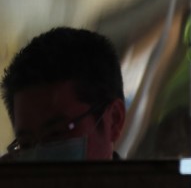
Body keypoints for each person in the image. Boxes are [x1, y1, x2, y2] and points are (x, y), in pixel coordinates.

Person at [1, 26, 126, 161]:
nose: (39, 156)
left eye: (56, 133)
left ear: (114, 120)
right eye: (25, 144)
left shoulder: (146, 182)